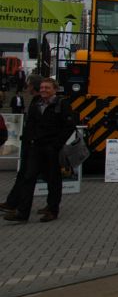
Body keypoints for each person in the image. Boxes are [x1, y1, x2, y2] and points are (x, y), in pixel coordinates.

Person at [3, 77, 76, 223]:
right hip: (35, 147)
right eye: (42, 87)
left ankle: (52, 210)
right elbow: (31, 124)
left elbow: (69, 126)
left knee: (53, 180)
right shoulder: (36, 103)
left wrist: (56, 145)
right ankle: (22, 213)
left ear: (55, 89)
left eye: (47, 88)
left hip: (51, 149)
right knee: (28, 178)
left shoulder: (61, 104)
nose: (43, 90)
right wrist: (29, 140)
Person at [0, 75, 42, 213]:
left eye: (28, 85)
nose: (27, 87)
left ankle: (21, 208)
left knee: (29, 177)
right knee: (23, 175)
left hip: (34, 144)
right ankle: (12, 203)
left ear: (33, 86)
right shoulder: (35, 101)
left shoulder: (39, 102)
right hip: (29, 143)